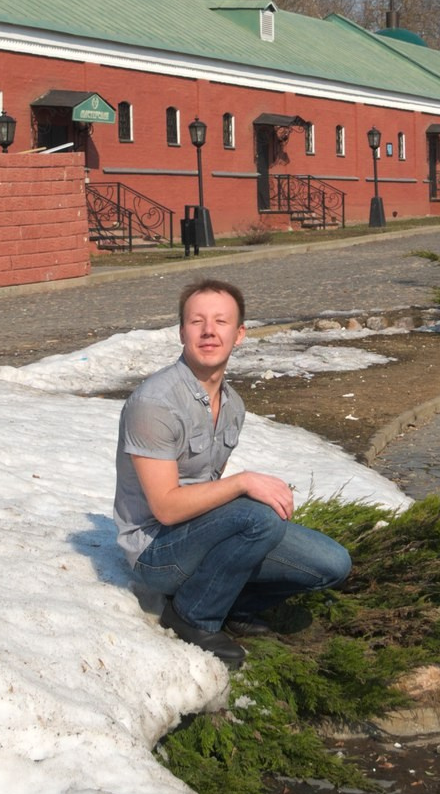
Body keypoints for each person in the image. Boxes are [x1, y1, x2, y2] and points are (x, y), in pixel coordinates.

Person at [115, 278, 353, 669]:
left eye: (221, 322)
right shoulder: (154, 403)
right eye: (197, 321)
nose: (209, 331)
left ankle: (224, 601)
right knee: (256, 516)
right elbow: (167, 509)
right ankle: (193, 616)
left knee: (332, 564)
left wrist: (237, 495)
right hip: (156, 553)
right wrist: (243, 483)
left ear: (239, 334)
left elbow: (209, 493)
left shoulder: (233, 405)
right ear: (182, 332)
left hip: (199, 535)